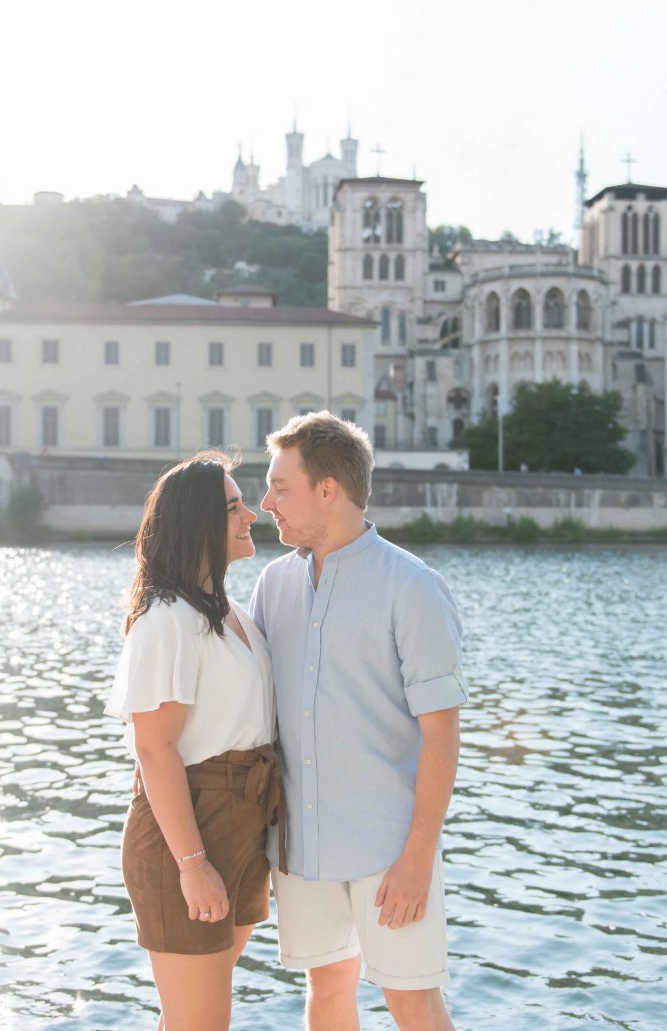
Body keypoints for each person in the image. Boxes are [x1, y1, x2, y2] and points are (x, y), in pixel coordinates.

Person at [251, 412, 466, 1031]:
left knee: (412, 1001)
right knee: (326, 993)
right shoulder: (272, 585)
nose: (267, 503)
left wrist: (418, 857)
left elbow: (442, 735)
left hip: (389, 848)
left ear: (328, 490)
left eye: (280, 487)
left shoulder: (413, 587)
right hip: (300, 846)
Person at [105, 451, 284, 1031]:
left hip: (241, 820)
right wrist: (192, 863)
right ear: (201, 523)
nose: (251, 514)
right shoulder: (168, 618)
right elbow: (154, 750)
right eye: (234, 506)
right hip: (193, 832)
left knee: (188, 1021)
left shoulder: (228, 611)